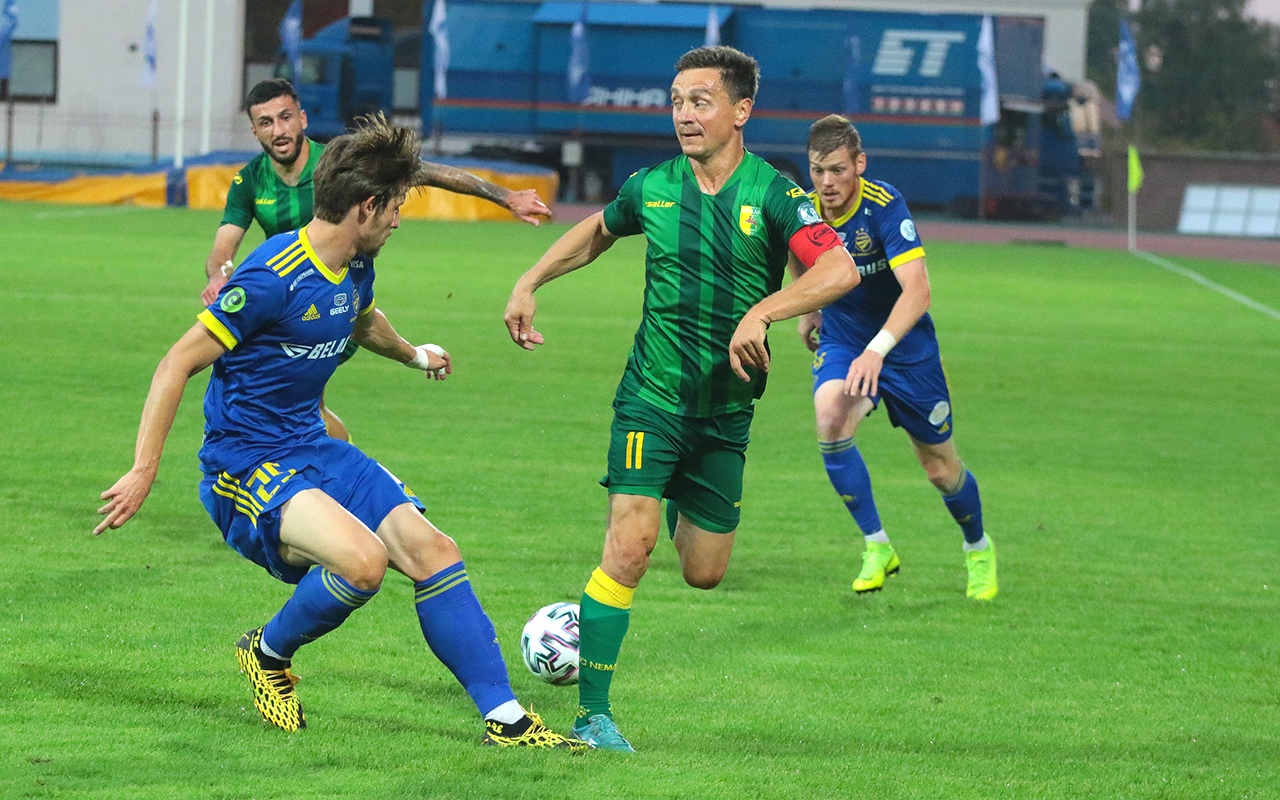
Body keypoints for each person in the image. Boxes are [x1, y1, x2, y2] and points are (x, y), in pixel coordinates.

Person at [97, 114, 582, 749]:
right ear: (366, 206)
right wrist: (143, 470)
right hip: (244, 466)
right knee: (364, 563)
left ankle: (508, 721)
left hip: (314, 447)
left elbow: (361, 320)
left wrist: (414, 355)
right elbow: (176, 363)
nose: (399, 221)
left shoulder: (354, 263)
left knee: (435, 551)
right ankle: (266, 653)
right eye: (396, 207)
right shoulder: (272, 277)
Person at [503, 46, 860, 752]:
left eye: (701, 101)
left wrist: (763, 312)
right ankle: (593, 717)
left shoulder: (775, 195)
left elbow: (840, 269)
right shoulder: (654, 186)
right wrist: (529, 281)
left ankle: (672, 494)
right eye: (676, 101)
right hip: (652, 397)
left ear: (741, 110)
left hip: (725, 411)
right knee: (629, 550)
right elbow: (597, 231)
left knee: (704, 572)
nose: (684, 115)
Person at [202, 78, 553, 441]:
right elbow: (222, 249)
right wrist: (219, 275)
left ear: (302, 118)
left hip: (335, 301)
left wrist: (504, 196)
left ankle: (300, 465)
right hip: (289, 304)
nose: (278, 130)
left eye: (285, 117)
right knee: (301, 413)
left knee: (285, 411)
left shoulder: (338, 163)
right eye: (266, 122)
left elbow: (425, 171)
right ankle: (334, 465)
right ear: (254, 130)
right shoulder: (249, 181)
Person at [790, 114, 996, 601]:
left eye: (838, 170)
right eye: (818, 170)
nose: (827, 182)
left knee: (939, 469)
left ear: (859, 164)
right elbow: (797, 254)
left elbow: (918, 291)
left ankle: (978, 547)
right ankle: (877, 545)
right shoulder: (804, 210)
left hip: (906, 351)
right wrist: (811, 306)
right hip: (845, 341)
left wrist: (877, 351)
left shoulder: (884, 206)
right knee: (830, 417)